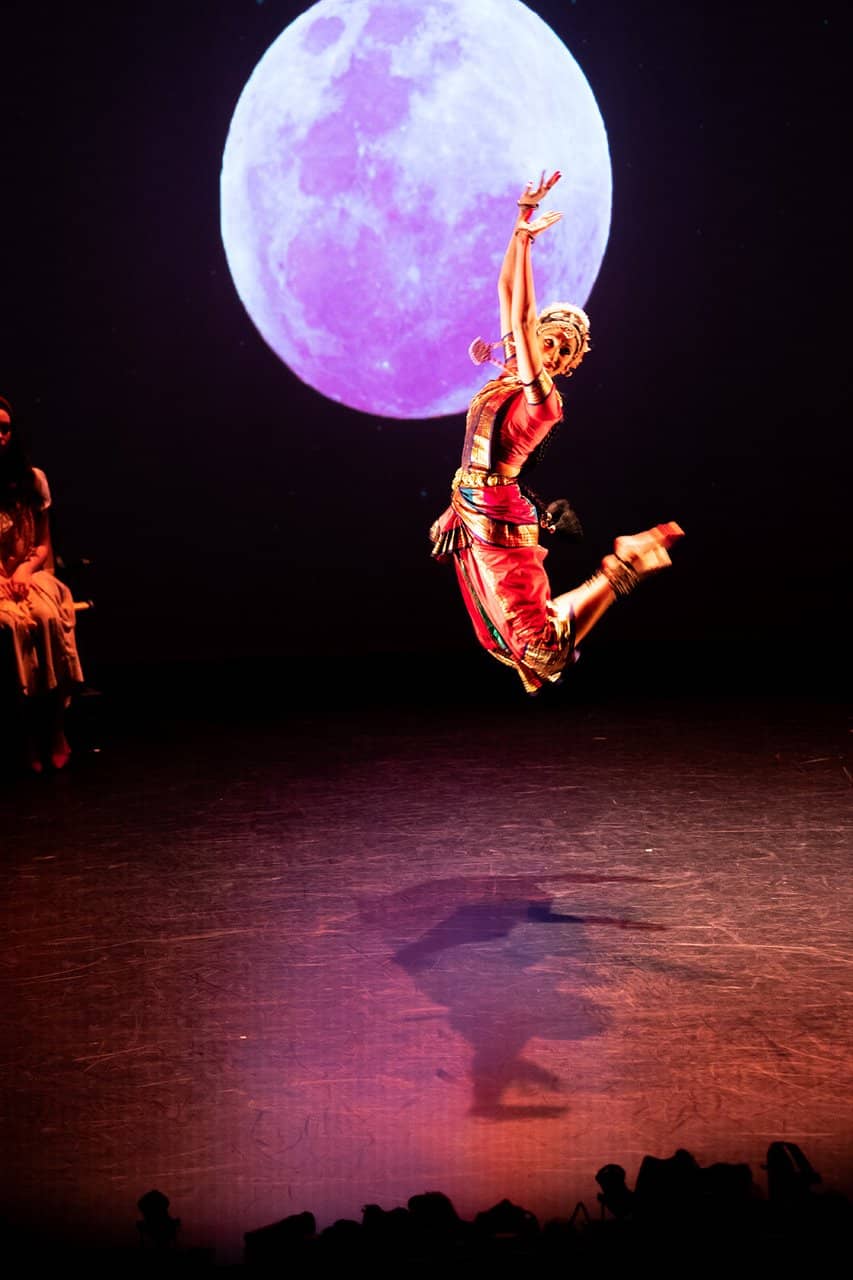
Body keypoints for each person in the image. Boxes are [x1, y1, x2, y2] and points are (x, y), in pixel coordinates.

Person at [430, 171, 683, 693]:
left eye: (566, 350)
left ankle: (626, 565)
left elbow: (521, 321)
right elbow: (507, 293)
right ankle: (624, 566)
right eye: (554, 337)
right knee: (511, 640)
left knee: (541, 651)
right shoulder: (507, 378)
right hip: (476, 507)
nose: (556, 349)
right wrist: (520, 222)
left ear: (565, 367)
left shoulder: (542, 401)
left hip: (496, 514)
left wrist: (526, 240)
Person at [0, 396, 83, 770]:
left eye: (4, 428)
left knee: (49, 620)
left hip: (29, 573)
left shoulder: (33, 479)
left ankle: (54, 727)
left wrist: (24, 570)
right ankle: (22, 733)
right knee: (11, 626)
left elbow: (44, 543)